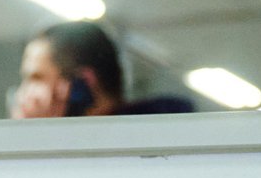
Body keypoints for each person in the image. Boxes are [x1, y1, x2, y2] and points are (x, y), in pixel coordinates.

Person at [11, 21, 197, 119]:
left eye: (37, 78)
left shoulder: (152, 136)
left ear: (82, 83)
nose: (23, 94)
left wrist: (38, 136)